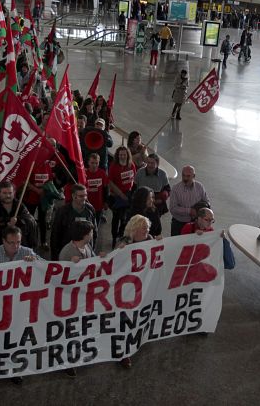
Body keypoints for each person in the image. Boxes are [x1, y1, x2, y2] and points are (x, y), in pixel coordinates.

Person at [114, 214, 155, 368]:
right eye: (143, 227)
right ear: (134, 229)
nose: (146, 230)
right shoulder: (124, 243)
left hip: (144, 287)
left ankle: (137, 340)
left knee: (139, 317)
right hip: (127, 291)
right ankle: (123, 353)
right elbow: (113, 265)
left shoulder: (150, 240)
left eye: (147, 227)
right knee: (126, 321)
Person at [0, 181, 39, 250]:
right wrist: (7, 228)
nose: (8, 196)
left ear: (14, 193)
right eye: (4, 193)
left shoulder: (20, 206)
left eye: (10, 193)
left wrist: (18, 221)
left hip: (18, 247)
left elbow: (30, 220)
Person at [50, 183, 97, 256]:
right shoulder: (62, 212)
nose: (84, 198)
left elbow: (94, 232)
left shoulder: (90, 210)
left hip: (85, 251)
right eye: (81, 196)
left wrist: (92, 250)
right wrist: (55, 256)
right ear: (73, 196)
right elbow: (55, 235)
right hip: (68, 252)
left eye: (85, 195)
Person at [108, 146, 137, 246]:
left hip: (128, 195)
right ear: (117, 155)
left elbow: (133, 178)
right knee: (116, 218)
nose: (122, 156)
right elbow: (110, 182)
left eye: (124, 154)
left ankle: (121, 235)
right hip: (117, 196)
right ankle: (114, 237)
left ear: (127, 155)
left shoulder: (131, 165)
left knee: (125, 218)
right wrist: (121, 194)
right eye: (121, 154)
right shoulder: (114, 166)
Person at [169, 165, 209, 236]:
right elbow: (173, 208)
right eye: (183, 175)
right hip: (179, 224)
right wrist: (190, 211)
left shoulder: (200, 187)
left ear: (194, 176)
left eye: (188, 176)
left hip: (196, 224)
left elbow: (206, 202)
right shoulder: (175, 189)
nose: (185, 178)